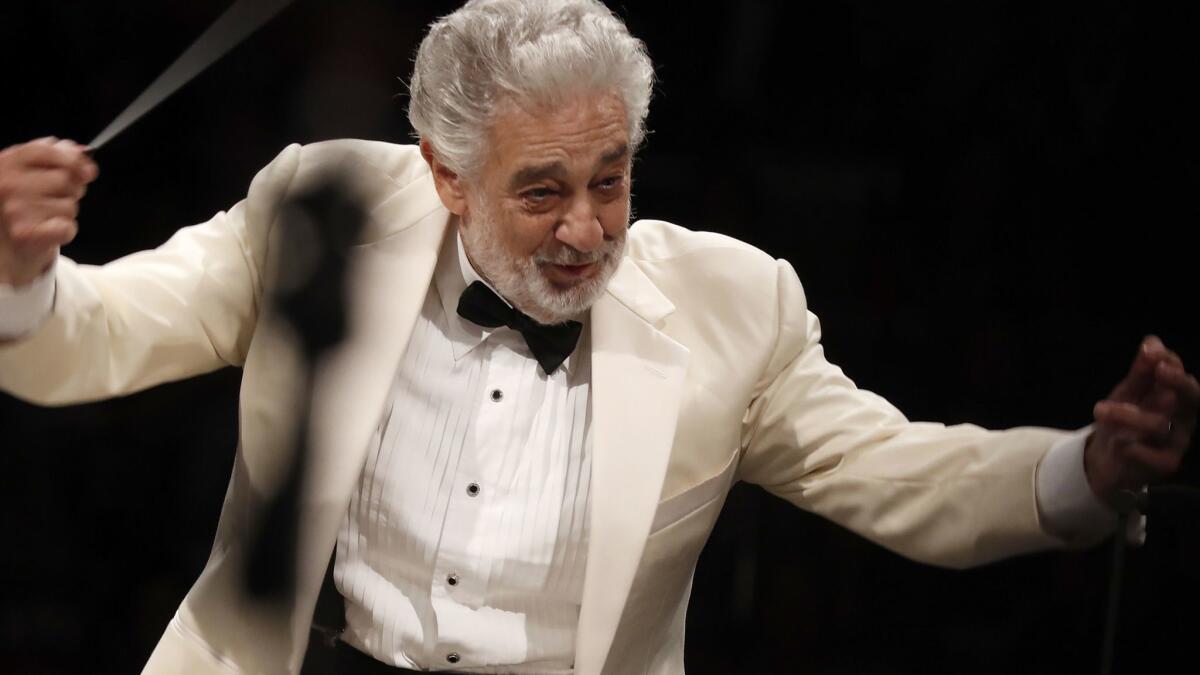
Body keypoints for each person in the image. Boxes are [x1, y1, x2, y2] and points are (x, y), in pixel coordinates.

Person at [0, 1, 1195, 673]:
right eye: (541, 190)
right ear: (447, 173)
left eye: (611, 178)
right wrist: (19, 272)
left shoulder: (735, 306)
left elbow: (901, 476)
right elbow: (83, 343)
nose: (587, 228)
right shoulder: (324, 210)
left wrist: (1084, 470)